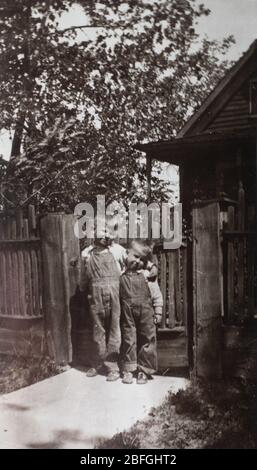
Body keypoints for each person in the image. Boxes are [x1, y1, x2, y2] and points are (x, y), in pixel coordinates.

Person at [80, 221, 126, 381]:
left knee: (114, 329)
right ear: (93, 234)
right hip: (95, 295)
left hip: (114, 293)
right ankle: (97, 363)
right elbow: (84, 276)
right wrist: (83, 288)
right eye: (101, 232)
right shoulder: (87, 253)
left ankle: (113, 367)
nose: (105, 235)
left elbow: (127, 271)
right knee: (97, 329)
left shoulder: (118, 251)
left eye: (108, 232)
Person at [120, 240, 163, 385]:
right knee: (128, 338)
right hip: (127, 313)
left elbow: (156, 294)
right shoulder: (121, 272)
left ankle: (144, 370)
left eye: (142, 259)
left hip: (146, 311)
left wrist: (158, 312)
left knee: (147, 338)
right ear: (127, 253)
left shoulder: (147, 275)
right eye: (136, 256)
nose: (138, 261)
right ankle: (129, 369)